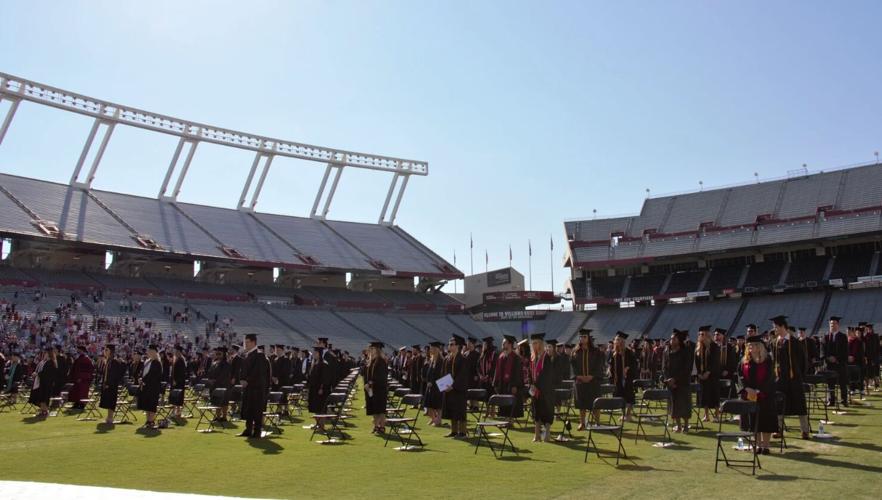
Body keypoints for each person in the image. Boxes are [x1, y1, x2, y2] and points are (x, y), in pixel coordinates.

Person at [769, 315, 810, 439]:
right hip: (780, 379)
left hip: (794, 378)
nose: (774, 330)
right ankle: (778, 429)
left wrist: (799, 376)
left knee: (800, 403)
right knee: (779, 405)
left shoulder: (795, 342)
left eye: (776, 327)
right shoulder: (774, 343)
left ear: (782, 326)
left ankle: (805, 430)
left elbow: (803, 361)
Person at [739, 335, 777, 455]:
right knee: (753, 420)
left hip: (765, 395)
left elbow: (770, 378)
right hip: (749, 395)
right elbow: (739, 376)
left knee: (765, 420)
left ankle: (765, 446)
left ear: (759, 346)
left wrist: (759, 390)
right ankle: (756, 444)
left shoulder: (768, 360)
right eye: (749, 346)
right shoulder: (744, 360)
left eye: (753, 345)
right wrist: (746, 388)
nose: (750, 347)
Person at [571, 329, 603, 429]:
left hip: (593, 381)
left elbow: (599, 365)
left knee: (595, 403)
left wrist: (592, 376)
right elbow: (572, 367)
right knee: (581, 404)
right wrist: (579, 376)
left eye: (584, 337)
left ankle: (597, 422)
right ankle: (582, 423)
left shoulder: (596, 352)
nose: (582, 339)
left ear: (588, 338)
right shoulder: (575, 352)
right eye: (581, 337)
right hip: (580, 382)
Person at [239, 333, 269, 439]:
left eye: (247, 342)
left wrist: (247, 380)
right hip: (249, 388)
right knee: (249, 409)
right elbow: (244, 370)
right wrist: (242, 379)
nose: (245, 344)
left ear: (253, 342)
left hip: (257, 388)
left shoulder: (259, 355)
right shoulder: (248, 355)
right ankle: (248, 429)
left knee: (256, 410)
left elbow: (259, 372)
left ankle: (257, 431)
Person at [441, 334, 469, 438]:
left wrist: (453, 386)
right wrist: (444, 385)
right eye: (449, 344)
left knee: (460, 410)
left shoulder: (462, 359)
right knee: (451, 409)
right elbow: (444, 373)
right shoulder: (447, 358)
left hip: (459, 389)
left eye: (452, 344)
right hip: (449, 389)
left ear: (457, 346)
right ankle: (453, 431)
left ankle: (462, 432)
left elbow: (462, 375)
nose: (449, 346)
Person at [665, 329, 693, 433]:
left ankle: (686, 426)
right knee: (674, 405)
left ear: (679, 340)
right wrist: (668, 379)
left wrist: (675, 379)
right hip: (671, 384)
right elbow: (665, 367)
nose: (671, 340)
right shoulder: (667, 351)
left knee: (684, 404)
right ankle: (678, 426)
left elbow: (687, 368)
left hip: (683, 382)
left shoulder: (685, 352)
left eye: (674, 339)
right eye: (671, 338)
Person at [529, 333, 555, 442]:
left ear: (540, 344)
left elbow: (546, 375)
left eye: (536, 343)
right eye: (533, 343)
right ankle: (537, 435)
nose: (534, 345)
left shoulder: (546, 358)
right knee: (536, 411)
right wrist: (532, 385)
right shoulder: (533, 358)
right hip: (535, 390)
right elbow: (531, 374)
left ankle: (547, 434)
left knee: (547, 411)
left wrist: (538, 386)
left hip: (545, 390)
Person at [492, 335, 524, 421]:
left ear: (510, 344)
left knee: (511, 403)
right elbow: (497, 371)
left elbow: (518, 373)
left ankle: (510, 421)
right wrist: (495, 383)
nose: (502, 344)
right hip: (502, 384)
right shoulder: (501, 356)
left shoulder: (516, 358)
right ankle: (506, 420)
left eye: (504, 343)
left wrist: (515, 385)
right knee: (504, 402)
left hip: (511, 384)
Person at [694, 326, 721, 422]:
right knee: (704, 395)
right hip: (702, 376)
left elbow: (715, 362)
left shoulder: (714, 347)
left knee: (714, 394)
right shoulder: (698, 347)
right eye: (700, 334)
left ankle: (717, 415)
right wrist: (699, 373)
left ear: (708, 335)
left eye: (703, 334)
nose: (701, 336)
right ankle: (706, 415)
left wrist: (708, 372)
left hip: (713, 375)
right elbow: (697, 362)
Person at [610, 332, 637, 421]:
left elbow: (634, 365)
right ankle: (623, 414)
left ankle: (628, 415)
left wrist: (628, 368)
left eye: (618, 340)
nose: (616, 341)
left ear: (622, 341)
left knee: (629, 396)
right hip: (618, 379)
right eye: (616, 340)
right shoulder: (614, 354)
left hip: (627, 378)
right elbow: (612, 367)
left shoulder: (629, 352)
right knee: (620, 396)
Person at [824, 316, 849, 407]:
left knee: (842, 383)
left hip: (840, 363)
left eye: (834, 323)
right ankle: (831, 400)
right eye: (831, 324)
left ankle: (844, 400)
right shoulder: (826, 336)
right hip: (829, 364)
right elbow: (823, 350)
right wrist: (827, 358)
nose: (832, 325)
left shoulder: (843, 337)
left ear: (838, 325)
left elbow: (845, 351)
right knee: (830, 383)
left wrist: (836, 358)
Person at [98, 344, 126, 424]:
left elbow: (114, 375)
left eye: (106, 350)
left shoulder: (114, 362)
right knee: (107, 401)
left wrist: (109, 383)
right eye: (104, 350)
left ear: (111, 351)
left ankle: (110, 418)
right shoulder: (107, 361)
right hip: (106, 384)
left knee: (111, 401)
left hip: (112, 385)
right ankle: (108, 417)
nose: (104, 351)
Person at [364, 342, 388, 433]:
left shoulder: (380, 361)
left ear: (377, 350)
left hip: (380, 389)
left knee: (380, 409)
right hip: (373, 389)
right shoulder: (373, 361)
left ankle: (381, 426)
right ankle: (377, 426)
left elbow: (380, 377)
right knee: (375, 409)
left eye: (372, 349)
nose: (371, 350)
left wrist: (370, 383)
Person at [28, 347, 58, 418]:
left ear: (49, 354)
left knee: (44, 397)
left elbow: (46, 373)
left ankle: (45, 411)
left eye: (46, 353)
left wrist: (37, 374)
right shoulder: (43, 362)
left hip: (47, 383)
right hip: (41, 382)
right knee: (41, 397)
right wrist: (35, 373)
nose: (44, 354)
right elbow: (40, 371)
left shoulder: (51, 362)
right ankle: (42, 410)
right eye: (44, 353)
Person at [137, 344, 162, 429]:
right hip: (146, 387)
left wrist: (144, 380)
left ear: (154, 352)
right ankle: (148, 421)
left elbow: (153, 376)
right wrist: (141, 378)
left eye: (150, 351)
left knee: (151, 405)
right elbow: (143, 373)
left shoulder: (157, 363)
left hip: (153, 387)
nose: (148, 352)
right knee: (146, 404)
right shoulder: (147, 362)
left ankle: (151, 421)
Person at [207, 346, 232, 422]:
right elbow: (209, 372)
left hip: (223, 385)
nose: (218, 355)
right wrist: (210, 379)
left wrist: (215, 381)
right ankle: (217, 416)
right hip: (214, 385)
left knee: (224, 402)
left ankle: (224, 417)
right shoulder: (214, 363)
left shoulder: (226, 364)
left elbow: (224, 376)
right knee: (216, 401)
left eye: (219, 354)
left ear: (223, 354)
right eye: (217, 354)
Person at [423, 341, 445, 426]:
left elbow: (440, 373)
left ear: (436, 349)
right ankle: (433, 418)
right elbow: (430, 372)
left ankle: (438, 420)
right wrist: (428, 381)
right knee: (429, 403)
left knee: (438, 404)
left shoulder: (440, 360)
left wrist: (433, 382)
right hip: (430, 385)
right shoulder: (432, 360)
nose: (430, 350)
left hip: (438, 385)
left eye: (432, 348)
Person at [68, 345, 94, 410]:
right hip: (77, 379)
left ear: (82, 350)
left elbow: (88, 371)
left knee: (82, 393)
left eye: (79, 350)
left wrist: (82, 378)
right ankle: (76, 403)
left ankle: (82, 405)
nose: (77, 351)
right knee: (76, 392)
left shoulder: (86, 359)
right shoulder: (79, 358)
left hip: (83, 380)